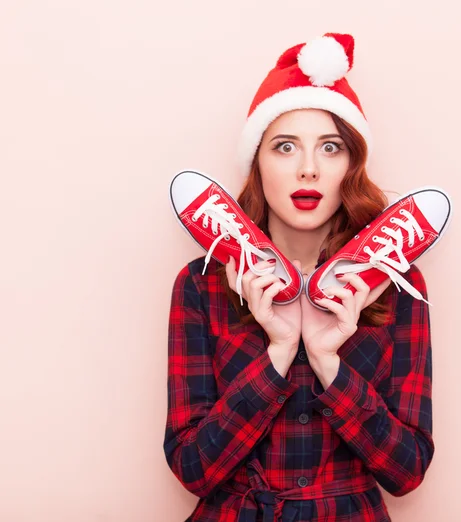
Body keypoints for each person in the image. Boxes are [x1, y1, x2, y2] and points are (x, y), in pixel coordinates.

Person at [164, 32, 435, 522]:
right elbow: (192, 468)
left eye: (330, 148)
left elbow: (407, 472)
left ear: (352, 164)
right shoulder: (200, 285)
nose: (308, 169)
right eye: (285, 147)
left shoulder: (398, 285)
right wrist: (279, 354)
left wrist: (330, 363)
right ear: (257, 163)